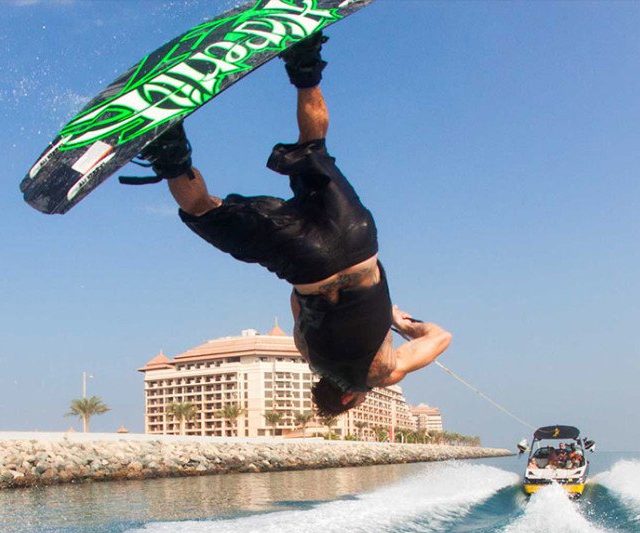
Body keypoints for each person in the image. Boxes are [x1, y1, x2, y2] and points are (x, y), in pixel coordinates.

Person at [132, 33, 451, 416]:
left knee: (313, 145)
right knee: (205, 209)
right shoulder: (308, 352)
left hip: (356, 243)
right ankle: (169, 150)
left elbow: (440, 336)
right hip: (305, 262)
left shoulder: (382, 373)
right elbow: (298, 303)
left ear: (349, 396)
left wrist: (399, 322)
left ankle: (305, 62)